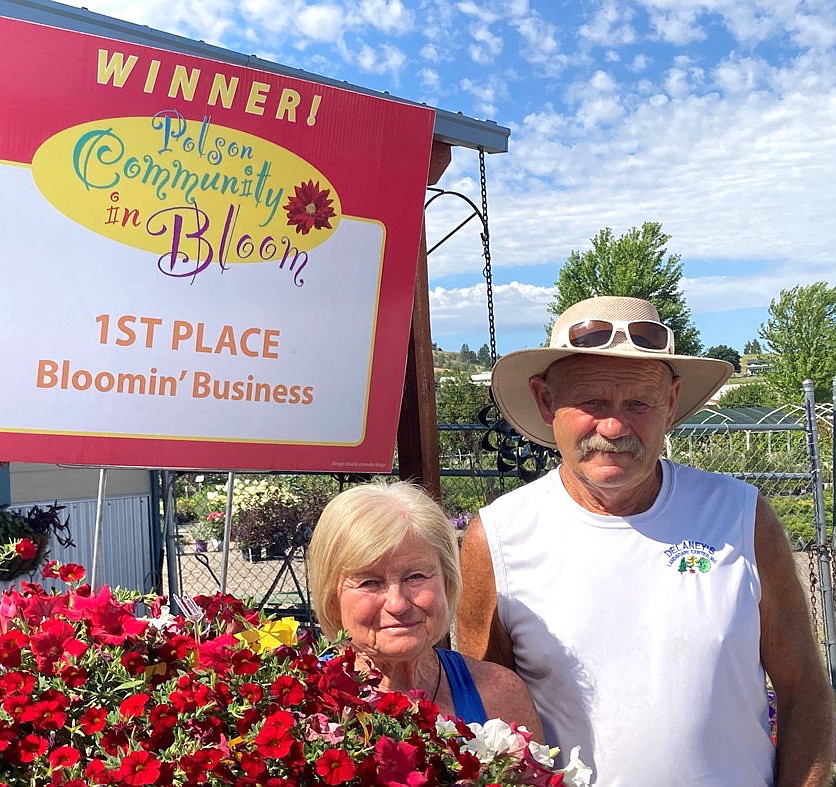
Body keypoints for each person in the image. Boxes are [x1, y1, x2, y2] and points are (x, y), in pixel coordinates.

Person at [456, 295, 833, 786]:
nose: (613, 427)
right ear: (546, 400)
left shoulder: (740, 518)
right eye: (591, 402)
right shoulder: (499, 539)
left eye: (638, 403)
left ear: (671, 401)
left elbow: (804, 688)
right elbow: (489, 719)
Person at [308, 479, 543, 733]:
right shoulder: (302, 702)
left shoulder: (500, 695)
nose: (397, 604)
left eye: (416, 577)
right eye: (370, 582)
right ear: (332, 600)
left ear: (448, 582)